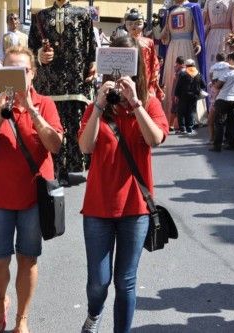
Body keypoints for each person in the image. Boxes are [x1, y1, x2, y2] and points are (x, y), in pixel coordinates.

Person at [78, 36, 168, 333]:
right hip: (98, 206)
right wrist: (99, 105)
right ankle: (93, 314)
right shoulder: (98, 104)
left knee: (126, 281)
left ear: (138, 66)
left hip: (135, 206)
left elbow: (155, 138)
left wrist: (136, 103)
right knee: (98, 282)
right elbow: (85, 147)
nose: (119, 74)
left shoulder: (150, 102)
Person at [0, 45, 63, 333]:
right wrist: (0, 116)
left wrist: (32, 112)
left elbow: (55, 145)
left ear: (32, 74)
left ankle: (22, 319)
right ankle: (1, 299)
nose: (17, 76)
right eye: (9, 70)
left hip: (33, 197)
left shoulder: (46, 103)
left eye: (22, 70)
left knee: (28, 257)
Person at [28, 0, 96, 185]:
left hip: (75, 79)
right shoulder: (40, 16)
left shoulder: (82, 14)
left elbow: (91, 43)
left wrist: (93, 64)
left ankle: (72, 167)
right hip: (49, 81)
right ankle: (55, 169)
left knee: (74, 123)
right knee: (51, 125)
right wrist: (40, 53)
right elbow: (31, 46)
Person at [160, 0, 206, 123]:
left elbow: (197, 29)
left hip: (187, 46)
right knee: (172, 77)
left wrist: (197, 43)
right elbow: (165, 34)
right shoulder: (170, 10)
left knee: (189, 76)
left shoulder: (193, 7)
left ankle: (192, 117)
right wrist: (160, 34)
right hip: (172, 46)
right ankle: (170, 115)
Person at [124, 9, 164, 101]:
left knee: (144, 96)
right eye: (130, 24)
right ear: (125, 25)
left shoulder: (148, 42)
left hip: (145, 74)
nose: (134, 27)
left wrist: (154, 75)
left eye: (138, 23)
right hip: (126, 72)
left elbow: (154, 61)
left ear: (143, 24)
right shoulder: (122, 42)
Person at [210, 52, 234, 152]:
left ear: (231, 59)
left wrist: (214, 83)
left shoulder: (228, 71)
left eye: (228, 59)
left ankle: (217, 146)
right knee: (231, 122)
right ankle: (232, 144)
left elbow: (218, 85)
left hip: (223, 99)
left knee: (219, 123)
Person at [203, 0, 234, 83]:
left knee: (226, 63)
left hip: (226, 36)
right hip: (211, 37)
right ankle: (210, 91)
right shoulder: (208, 1)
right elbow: (205, 23)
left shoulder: (233, 1)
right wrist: (201, 38)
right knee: (209, 62)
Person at [174, 59, 206, 135]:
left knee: (181, 112)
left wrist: (176, 95)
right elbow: (203, 85)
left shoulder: (183, 73)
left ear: (186, 65)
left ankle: (183, 128)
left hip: (183, 95)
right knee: (190, 111)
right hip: (194, 95)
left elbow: (179, 85)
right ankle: (189, 129)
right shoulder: (198, 73)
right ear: (193, 65)